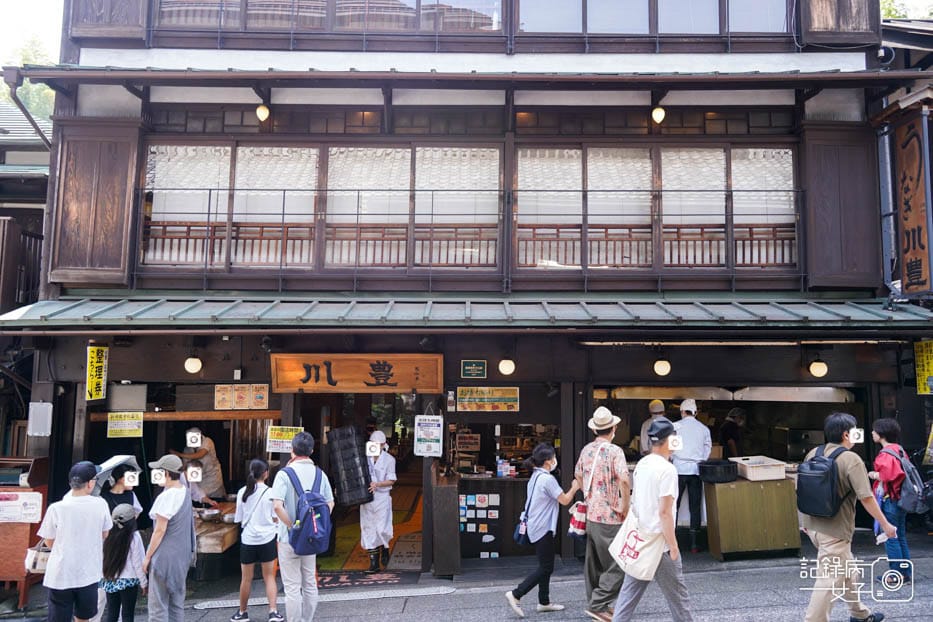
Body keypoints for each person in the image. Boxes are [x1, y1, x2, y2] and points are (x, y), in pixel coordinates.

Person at [801, 412, 896, 622]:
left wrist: (804, 523)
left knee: (849, 573)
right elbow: (867, 498)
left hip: (813, 527)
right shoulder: (851, 459)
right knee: (828, 581)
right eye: (855, 432)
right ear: (846, 434)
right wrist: (886, 524)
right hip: (835, 531)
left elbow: (803, 490)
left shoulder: (813, 453)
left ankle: (860, 614)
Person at [612, 418, 695, 622]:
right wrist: (674, 546)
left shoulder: (643, 463)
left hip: (642, 539)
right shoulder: (668, 470)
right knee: (678, 598)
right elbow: (664, 512)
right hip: (661, 543)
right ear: (669, 440)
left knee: (629, 594)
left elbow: (637, 500)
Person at [505, 443, 580, 618]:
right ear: (547, 461)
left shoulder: (536, 476)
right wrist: (575, 486)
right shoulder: (547, 479)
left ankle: (544, 602)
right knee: (546, 567)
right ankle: (516, 594)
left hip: (535, 524)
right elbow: (564, 500)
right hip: (542, 527)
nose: (555, 461)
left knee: (544, 564)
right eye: (553, 458)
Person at [574, 406, 631, 622]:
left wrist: (590, 496)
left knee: (594, 563)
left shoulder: (587, 450)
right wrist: (624, 506)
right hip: (610, 516)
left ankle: (597, 605)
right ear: (614, 428)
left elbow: (578, 475)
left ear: (595, 430)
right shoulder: (615, 451)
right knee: (619, 563)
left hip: (591, 515)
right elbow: (625, 480)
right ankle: (598, 605)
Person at [38, 461, 113, 622]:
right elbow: (105, 533)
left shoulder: (56, 508)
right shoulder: (100, 504)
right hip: (89, 572)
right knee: (84, 618)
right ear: (90, 483)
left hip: (60, 572)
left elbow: (48, 541)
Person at [271, 432, 335, 622]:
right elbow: (329, 504)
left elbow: (276, 505)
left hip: (287, 538)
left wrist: (293, 526)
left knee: (292, 587)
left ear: (292, 450)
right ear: (312, 451)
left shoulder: (284, 474)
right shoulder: (319, 474)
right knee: (309, 582)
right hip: (310, 537)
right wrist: (314, 526)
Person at [144, 455, 196, 622]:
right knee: (176, 605)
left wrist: (147, 557)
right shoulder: (185, 492)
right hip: (182, 557)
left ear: (166, 473)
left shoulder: (166, 496)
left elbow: (159, 530)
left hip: (164, 558)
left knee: (158, 608)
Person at [231, 459, 284, 622]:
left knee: (246, 578)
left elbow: (238, 519)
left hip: (248, 540)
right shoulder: (271, 492)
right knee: (269, 577)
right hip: (267, 538)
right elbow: (276, 517)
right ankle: (273, 611)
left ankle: (242, 612)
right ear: (266, 473)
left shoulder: (242, 493)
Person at [868, 418, 912, 583]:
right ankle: (905, 573)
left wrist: (873, 474)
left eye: (874, 431)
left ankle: (896, 575)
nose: (872, 433)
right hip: (901, 500)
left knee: (890, 536)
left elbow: (888, 476)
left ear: (881, 434)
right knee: (900, 536)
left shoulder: (885, 454)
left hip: (890, 500)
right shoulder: (899, 449)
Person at [672, 399, 711, 553]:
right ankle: (695, 544)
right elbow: (707, 449)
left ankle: (672, 541)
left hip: (678, 469)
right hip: (696, 470)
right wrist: (701, 458)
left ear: (682, 411)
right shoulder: (703, 428)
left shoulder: (676, 427)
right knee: (694, 507)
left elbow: (671, 448)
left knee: (674, 505)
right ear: (695, 412)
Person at [101, 504, 147, 622]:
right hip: (129, 581)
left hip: (110, 579)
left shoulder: (107, 535)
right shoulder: (134, 537)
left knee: (112, 614)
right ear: (132, 520)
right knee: (127, 615)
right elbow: (138, 563)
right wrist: (144, 583)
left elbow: (101, 557)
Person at [360, 430, 397, 572]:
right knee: (368, 528)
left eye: (378, 444)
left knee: (381, 528)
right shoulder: (364, 458)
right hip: (367, 499)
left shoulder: (389, 460)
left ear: (383, 445)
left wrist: (378, 485)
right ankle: (373, 564)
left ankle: (384, 548)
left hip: (382, 498)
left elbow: (392, 480)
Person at [172, 427, 225, 499]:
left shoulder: (207, 441)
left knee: (217, 502)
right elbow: (184, 467)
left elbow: (201, 454)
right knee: (200, 499)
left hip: (213, 480)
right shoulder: (187, 449)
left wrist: (179, 454)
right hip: (197, 482)